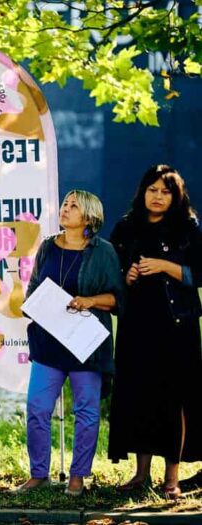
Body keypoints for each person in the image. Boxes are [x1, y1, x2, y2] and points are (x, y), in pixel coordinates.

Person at [14, 190, 123, 496]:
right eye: (64, 203)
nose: (65, 208)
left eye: (73, 206)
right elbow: (34, 287)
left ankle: (78, 476)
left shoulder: (104, 251)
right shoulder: (48, 246)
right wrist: (33, 306)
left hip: (85, 346)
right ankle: (39, 474)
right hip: (48, 343)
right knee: (37, 408)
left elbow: (117, 298)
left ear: (89, 216)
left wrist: (90, 300)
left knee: (86, 411)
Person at [108, 164, 202, 499]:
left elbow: (198, 274)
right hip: (136, 326)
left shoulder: (187, 226)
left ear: (176, 196)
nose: (158, 197)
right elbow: (111, 273)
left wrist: (164, 266)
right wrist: (127, 276)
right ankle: (141, 474)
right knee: (139, 396)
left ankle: (171, 479)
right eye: (152, 190)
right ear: (142, 192)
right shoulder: (126, 226)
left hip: (177, 326)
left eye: (165, 191)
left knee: (172, 400)